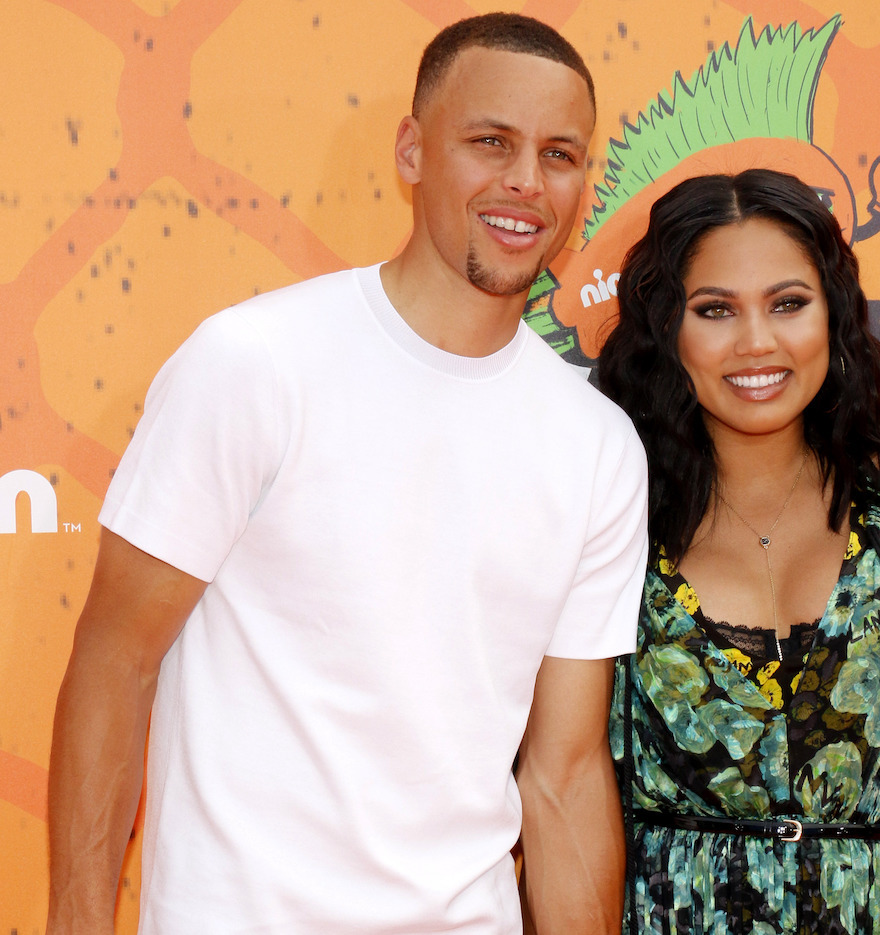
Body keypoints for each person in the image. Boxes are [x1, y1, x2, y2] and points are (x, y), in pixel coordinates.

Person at [47, 14, 648, 935]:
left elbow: (563, 774)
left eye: (559, 154)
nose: (526, 182)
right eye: (491, 142)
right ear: (412, 150)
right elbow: (114, 664)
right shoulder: (254, 365)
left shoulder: (597, 445)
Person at [598, 170, 880, 934]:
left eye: (788, 303)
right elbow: (565, 778)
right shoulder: (612, 512)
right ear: (666, 329)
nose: (758, 341)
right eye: (715, 309)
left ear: (835, 314)